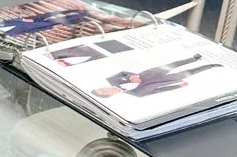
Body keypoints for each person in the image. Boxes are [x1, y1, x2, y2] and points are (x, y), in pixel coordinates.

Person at [92, 55, 222, 99]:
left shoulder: (112, 80)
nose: (105, 89)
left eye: (101, 88)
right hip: (163, 81)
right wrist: (177, 86)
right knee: (189, 73)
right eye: (103, 92)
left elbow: (123, 72)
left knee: (173, 64)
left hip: (151, 73)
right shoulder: (136, 94)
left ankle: (194, 58)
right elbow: (158, 91)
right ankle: (211, 65)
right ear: (109, 95)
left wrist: (132, 76)